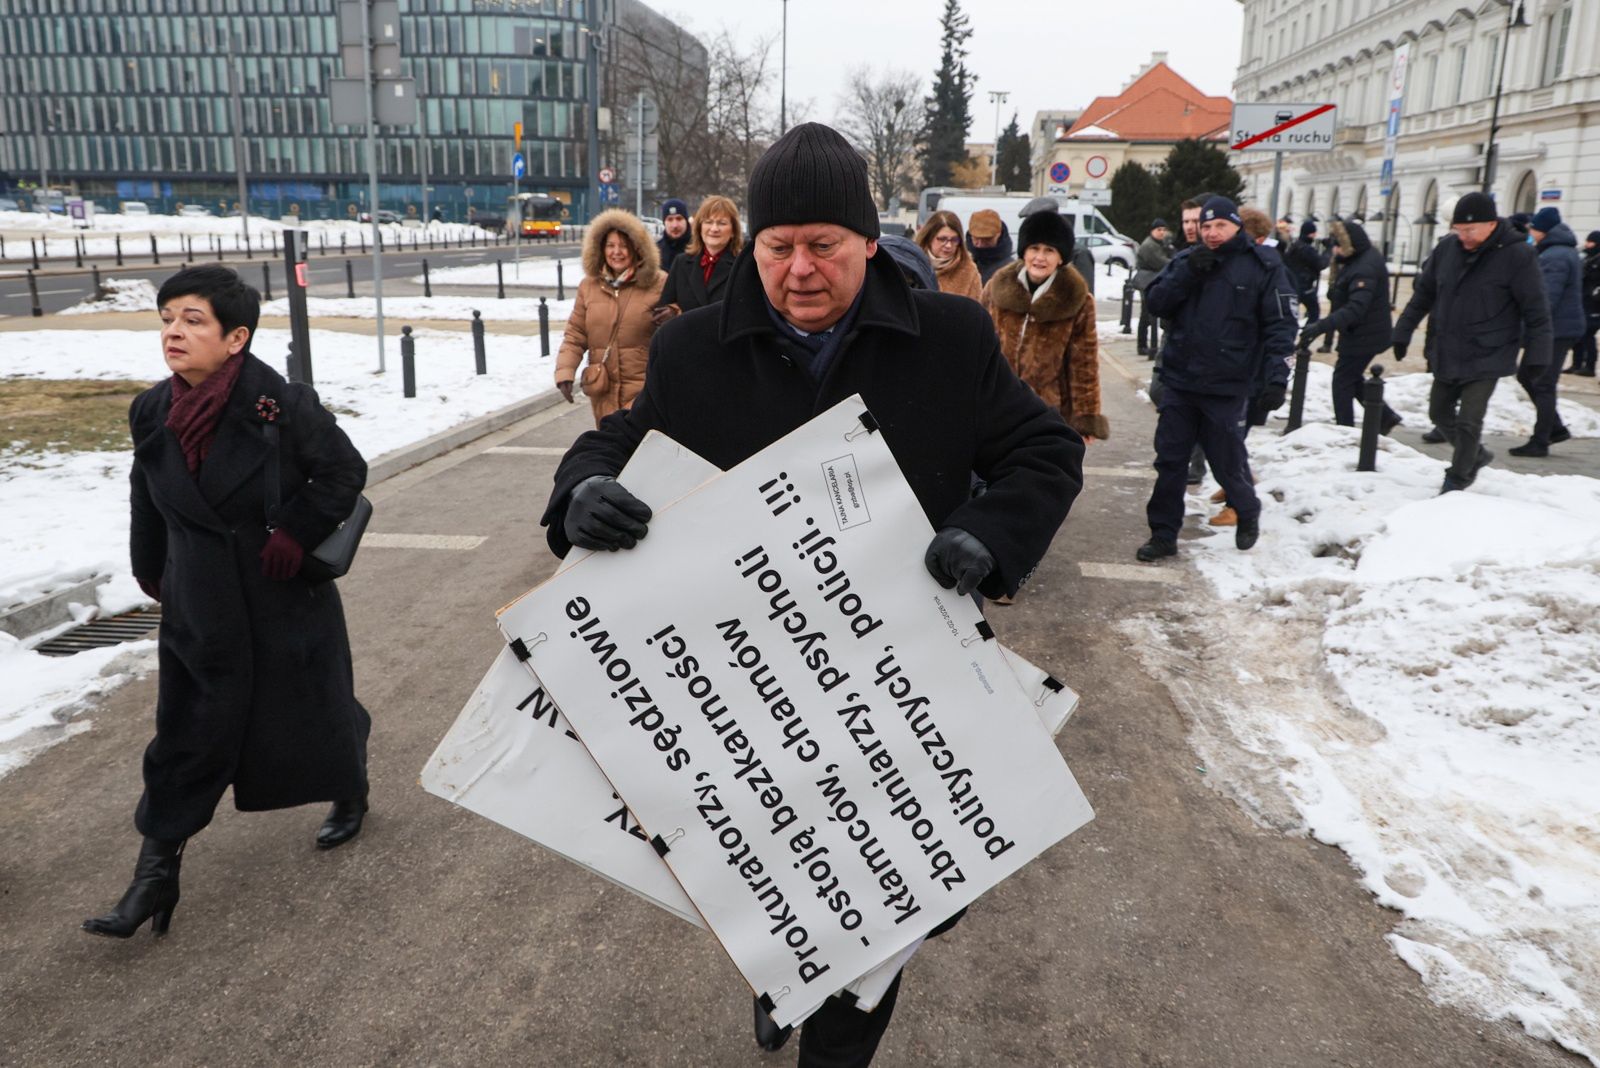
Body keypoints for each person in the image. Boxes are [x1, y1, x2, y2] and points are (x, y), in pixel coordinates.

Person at [539, 121, 1083, 1068]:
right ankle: (789, 968)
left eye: (824, 245)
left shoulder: (950, 339)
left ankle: (834, 1015)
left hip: (903, 674)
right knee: (771, 853)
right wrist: (580, 489)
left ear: (868, 242)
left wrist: (990, 536)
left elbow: (1045, 449)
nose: (799, 270)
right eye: (779, 246)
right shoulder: (694, 350)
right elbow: (616, 442)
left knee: (903, 879)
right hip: (756, 679)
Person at [84, 266, 371, 939]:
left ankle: (350, 789)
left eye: (193, 320)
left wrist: (295, 532)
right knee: (186, 731)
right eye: (167, 319)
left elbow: (343, 471)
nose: (174, 333)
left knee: (314, 709)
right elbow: (147, 494)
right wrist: (152, 568)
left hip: (279, 593)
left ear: (235, 337)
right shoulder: (151, 410)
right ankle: (155, 876)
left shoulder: (280, 403)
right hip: (200, 602)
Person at [1137, 196, 1296, 562]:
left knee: (1226, 461)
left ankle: (1247, 508)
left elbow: (1281, 325)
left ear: (1237, 227)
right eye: (1205, 226)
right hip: (1181, 380)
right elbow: (1156, 303)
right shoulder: (1186, 261)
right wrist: (1187, 272)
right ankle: (1163, 535)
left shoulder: (1262, 266)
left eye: (1220, 225)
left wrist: (1277, 377)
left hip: (1227, 385)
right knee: (1170, 461)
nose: (1211, 233)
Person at [1391, 192, 1552, 492]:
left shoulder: (1517, 255)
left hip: (1490, 351)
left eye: (1470, 230)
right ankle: (1475, 455)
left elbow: (1536, 310)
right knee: (1438, 413)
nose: (1463, 236)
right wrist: (1403, 330)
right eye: (1458, 230)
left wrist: (1538, 355)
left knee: (1469, 420)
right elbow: (1424, 293)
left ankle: (1458, 477)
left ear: (1491, 224)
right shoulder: (1446, 249)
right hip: (1448, 347)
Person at [980, 208, 1108, 442]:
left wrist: (1085, 418)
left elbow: (1084, 363)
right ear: (1024, 252)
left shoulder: (1077, 300)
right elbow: (979, 345)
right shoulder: (997, 288)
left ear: (1061, 257)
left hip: (1048, 412)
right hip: (998, 408)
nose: (1040, 257)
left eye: (1049, 250)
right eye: (1034, 248)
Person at [555, 209, 665, 427]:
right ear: (600, 249)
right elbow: (575, 335)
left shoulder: (659, 283)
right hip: (603, 393)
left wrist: (672, 313)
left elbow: (678, 326)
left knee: (640, 445)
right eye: (610, 245)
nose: (617, 252)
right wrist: (565, 372)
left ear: (637, 248)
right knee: (609, 444)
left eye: (623, 245)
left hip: (645, 393)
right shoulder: (588, 286)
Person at [1298, 219, 1401, 431]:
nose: (1334, 250)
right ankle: (1385, 416)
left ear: (1348, 244)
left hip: (1364, 333)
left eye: (1337, 245)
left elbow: (1356, 308)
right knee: (1351, 378)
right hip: (1361, 332)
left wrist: (1320, 326)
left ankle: (1345, 430)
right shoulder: (1358, 259)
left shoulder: (1364, 267)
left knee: (1342, 381)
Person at [1510, 206, 1582, 456]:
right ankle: (1555, 428)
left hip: (1556, 330)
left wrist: (1527, 330)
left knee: (1542, 382)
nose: (1530, 232)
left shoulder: (1556, 256)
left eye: (1534, 228)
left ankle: (1541, 440)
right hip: (1555, 328)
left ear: (1543, 230)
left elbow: (1545, 299)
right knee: (1528, 376)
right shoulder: (1558, 251)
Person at [654, 194, 742, 322]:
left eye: (722, 223)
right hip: (687, 334)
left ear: (733, 231)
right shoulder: (681, 263)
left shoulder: (742, 265)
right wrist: (672, 311)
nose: (714, 229)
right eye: (708, 222)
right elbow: (665, 306)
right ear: (699, 227)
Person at [1019, 196, 1095, 294]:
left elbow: (1084, 292)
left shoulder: (1079, 253)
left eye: (1049, 250)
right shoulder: (1016, 273)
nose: (1040, 257)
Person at [913, 209, 982, 299]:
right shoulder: (913, 264)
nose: (948, 245)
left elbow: (976, 305)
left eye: (954, 240)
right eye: (942, 239)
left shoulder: (969, 272)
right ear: (929, 238)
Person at [1134, 219, 1173, 357]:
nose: (1162, 232)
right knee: (1147, 315)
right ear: (1152, 231)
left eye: (1164, 230)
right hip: (1147, 281)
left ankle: (1144, 345)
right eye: (1159, 230)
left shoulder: (1158, 244)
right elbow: (1161, 262)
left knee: (1147, 314)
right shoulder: (1149, 246)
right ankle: (1143, 345)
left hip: (1150, 280)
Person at [1285, 219, 1330, 329]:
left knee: (1291, 314)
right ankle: (1306, 335)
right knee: (1314, 313)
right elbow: (1321, 264)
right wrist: (1328, 250)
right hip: (1305, 287)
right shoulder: (1307, 249)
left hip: (1292, 285)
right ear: (1311, 233)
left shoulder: (1295, 246)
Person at [1571, 229, 1600, 377]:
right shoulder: (1587, 257)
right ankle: (1576, 364)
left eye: (1591, 242)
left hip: (1594, 304)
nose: (1587, 244)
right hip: (1583, 300)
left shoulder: (1596, 260)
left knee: (1588, 334)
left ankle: (1589, 366)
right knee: (1579, 333)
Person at [965, 209, 1015, 284]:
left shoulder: (1009, 269)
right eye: (976, 238)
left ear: (999, 235)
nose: (980, 244)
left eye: (987, 239)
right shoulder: (960, 260)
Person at [656, 198, 690, 270]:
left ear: (686, 221)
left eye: (679, 219)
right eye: (670, 219)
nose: (675, 225)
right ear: (664, 222)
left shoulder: (698, 248)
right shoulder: (655, 251)